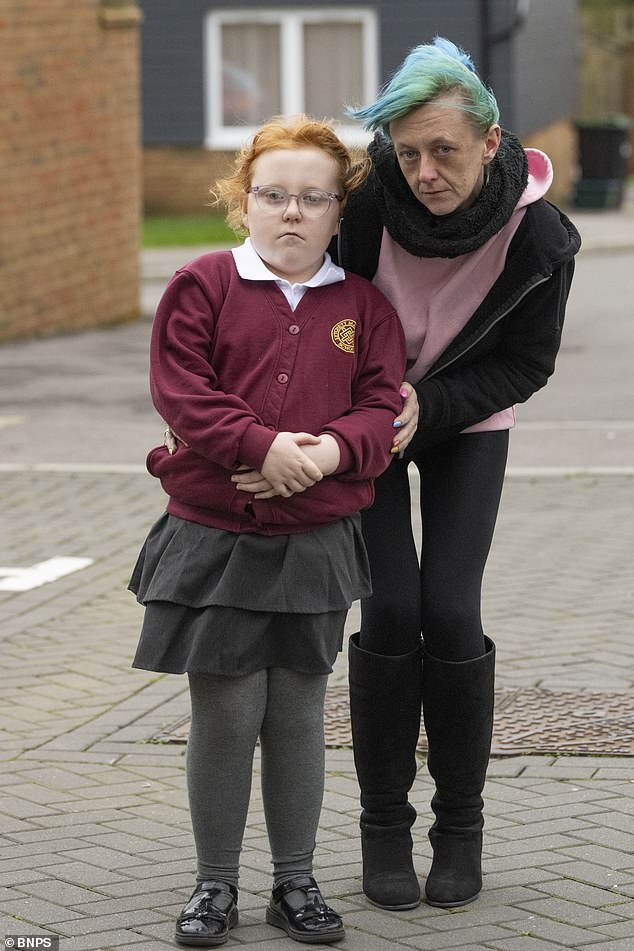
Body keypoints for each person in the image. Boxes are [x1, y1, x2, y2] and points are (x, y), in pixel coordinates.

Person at [129, 114, 412, 946]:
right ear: (242, 203)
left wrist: (322, 454)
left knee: (296, 711)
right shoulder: (204, 284)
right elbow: (182, 389)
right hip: (215, 540)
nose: (292, 212)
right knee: (225, 713)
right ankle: (215, 883)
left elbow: (381, 406)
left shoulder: (365, 306)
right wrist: (259, 449)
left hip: (316, 544)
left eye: (313, 198)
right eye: (273, 195)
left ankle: (297, 880)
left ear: (338, 213)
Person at [329, 37, 582, 911]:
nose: (425, 171)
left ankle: (461, 828)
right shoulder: (363, 208)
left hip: (468, 420)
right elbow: (316, 311)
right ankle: (382, 827)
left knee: (451, 609)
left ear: (488, 139)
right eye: (407, 153)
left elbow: (526, 363)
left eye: (443, 150)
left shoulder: (540, 233)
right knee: (389, 606)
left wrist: (428, 403)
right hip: (366, 421)